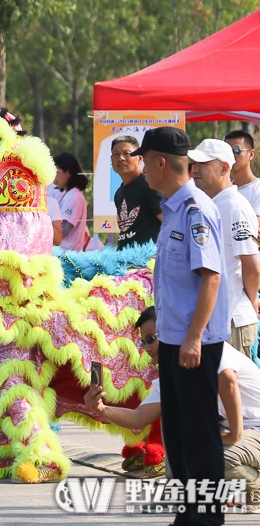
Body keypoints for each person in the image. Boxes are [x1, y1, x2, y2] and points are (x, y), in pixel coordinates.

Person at [133, 126, 229, 524]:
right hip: (173, 340)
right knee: (177, 433)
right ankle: (188, 514)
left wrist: (192, 339)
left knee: (200, 434)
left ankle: (207, 517)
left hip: (195, 343)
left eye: (143, 159)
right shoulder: (172, 207)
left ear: (159, 162)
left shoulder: (196, 210)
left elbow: (211, 277)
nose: (141, 167)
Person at [85, 306, 260, 513]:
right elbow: (139, 418)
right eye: (143, 342)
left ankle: (254, 487)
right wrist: (101, 409)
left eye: (152, 339)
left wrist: (234, 434)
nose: (147, 348)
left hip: (254, 430)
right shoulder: (170, 374)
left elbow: (227, 379)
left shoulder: (209, 347)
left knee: (212, 455)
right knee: (175, 424)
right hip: (232, 433)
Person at [188, 140, 260, 360]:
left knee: (236, 391)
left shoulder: (234, 206)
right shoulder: (212, 204)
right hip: (217, 319)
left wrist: (246, 300)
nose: (195, 169)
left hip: (232, 319)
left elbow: (252, 266)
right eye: (193, 163)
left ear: (224, 168)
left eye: (204, 163)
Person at [111, 135, 162, 249]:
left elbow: (169, 223)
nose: (121, 158)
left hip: (149, 262)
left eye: (127, 153)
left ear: (139, 158)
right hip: (126, 260)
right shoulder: (119, 193)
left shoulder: (150, 185)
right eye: (116, 154)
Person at [51, 152, 88, 251]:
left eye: (57, 171)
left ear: (68, 172)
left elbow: (63, 229)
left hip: (68, 258)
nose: (54, 176)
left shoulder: (74, 196)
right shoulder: (68, 194)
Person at [225, 130, 260, 223]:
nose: (231, 156)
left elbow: (255, 225)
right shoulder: (225, 190)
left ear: (251, 154)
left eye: (236, 151)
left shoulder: (258, 188)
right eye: (227, 151)